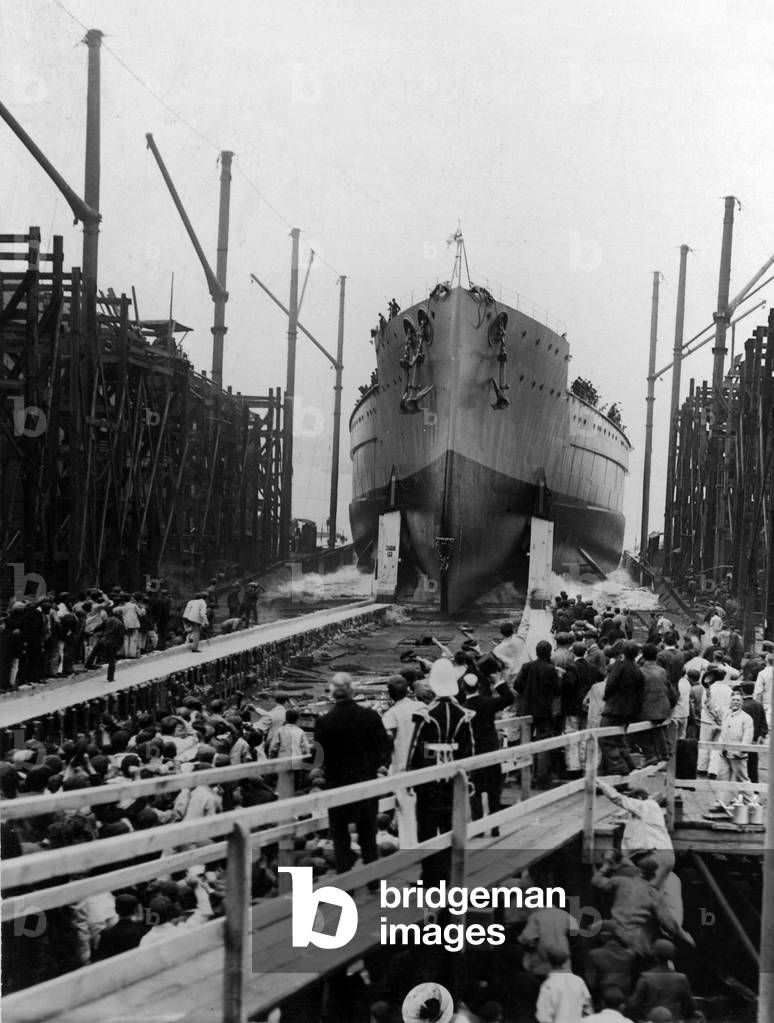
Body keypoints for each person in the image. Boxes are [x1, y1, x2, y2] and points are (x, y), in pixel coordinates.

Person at [314, 674, 391, 874]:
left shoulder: (324, 722)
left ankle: (345, 881)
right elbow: (384, 748)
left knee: (340, 835)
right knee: (367, 832)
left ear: (332, 693)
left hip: (337, 783)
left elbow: (318, 757)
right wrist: (373, 765)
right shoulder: (370, 716)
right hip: (365, 780)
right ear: (352, 691)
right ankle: (373, 878)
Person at [407, 658, 475, 881]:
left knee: (426, 826)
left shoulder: (426, 714)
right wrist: (469, 777)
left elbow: (416, 748)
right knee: (449, 824)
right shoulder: (463, 714)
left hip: (430, 776)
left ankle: (429, 875)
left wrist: (411, 777)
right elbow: (469, 748)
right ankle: (447, 871)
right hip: (453, 775)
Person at [596, 781, 674, 890]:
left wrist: (600, 783)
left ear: (640, 799)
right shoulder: (650, 813)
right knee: (653, 892)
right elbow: (638, 827)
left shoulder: (646, 804)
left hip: (656, 855)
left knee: (644, 891)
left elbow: (618, 799)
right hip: (666, 855)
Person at [462, 670, 514, 819]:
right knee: (494, 789)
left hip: (473, 752)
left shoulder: (463, 708)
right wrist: (498, 681)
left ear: (463, 687)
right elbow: (509, 698)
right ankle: (495, 824)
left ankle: (478, 824)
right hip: (491, 751)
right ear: (479, 686)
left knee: (476, 791)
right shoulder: (488, 703)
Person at [514, 641, 560, 786]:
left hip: (527, 709)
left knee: (525, 742)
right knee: (543, 743)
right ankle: (542, 776)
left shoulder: (526, 667)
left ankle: (522, 773)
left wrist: (525, 693)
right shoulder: (550, 669)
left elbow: (517, 685)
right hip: (544, 711)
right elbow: (558, 689)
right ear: (549, 652)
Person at [626, 939, 698, 1022]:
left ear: (655, 956)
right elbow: (690, 1007)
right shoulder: (681, 979)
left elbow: (634, 1004)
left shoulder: (646, 978)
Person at [534, 947, 592, 1023]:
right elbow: (588, 1009)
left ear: (548, 963)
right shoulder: (578, 980)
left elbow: (543, 1016)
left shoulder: (548, 984)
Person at [585, 921, 635, 1008]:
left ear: (603, 936)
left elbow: (590, 983)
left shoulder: (594, 955)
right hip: (622, 1003)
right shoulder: (629, 955)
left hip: (602, 1003)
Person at [93, 893, 148, 960]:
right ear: (134, 910)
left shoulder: (107, 934)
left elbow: (101, 958)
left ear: (116, 910)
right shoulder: (143, 930)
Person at [716, 689, 754, 782]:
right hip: (724, 753)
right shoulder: (726, 714)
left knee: (742, 778)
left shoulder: (746, 718)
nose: (735, 702)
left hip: (737, 755)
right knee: (722, 777)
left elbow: (747, 737)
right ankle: (722, 797)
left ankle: (748, 797)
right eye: (733, 700)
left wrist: (739, 751)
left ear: (742, 703)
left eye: (738, 700)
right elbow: (723, 732)